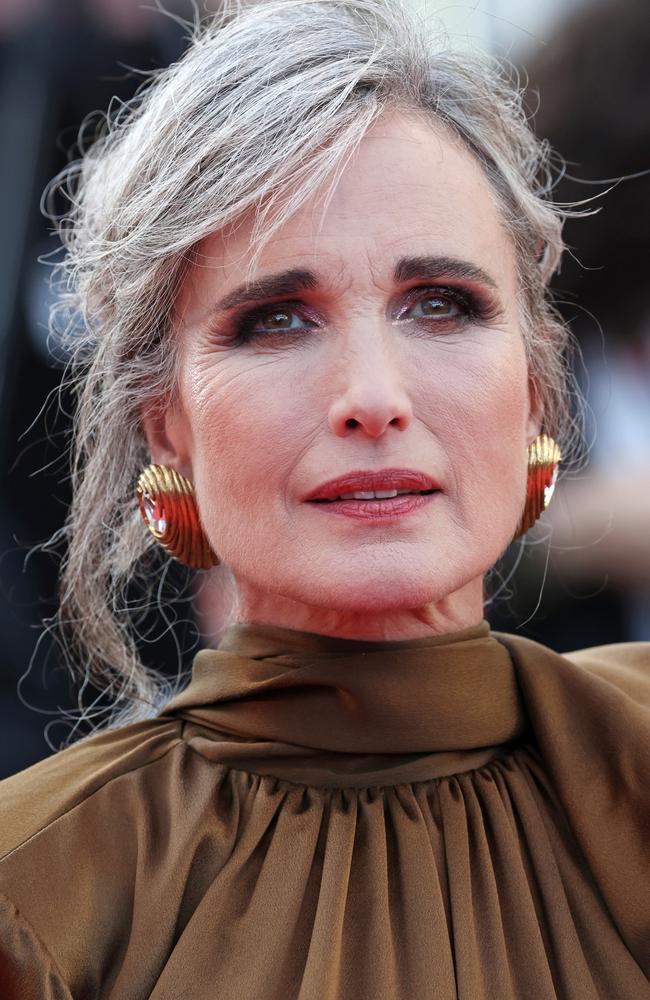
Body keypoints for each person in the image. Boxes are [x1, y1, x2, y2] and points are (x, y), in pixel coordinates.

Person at [0, 0, 648, 996]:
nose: (373, 397)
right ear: (164, 421)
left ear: (532, 384)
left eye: (441, 304)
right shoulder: (42, 892)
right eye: (273, 320)